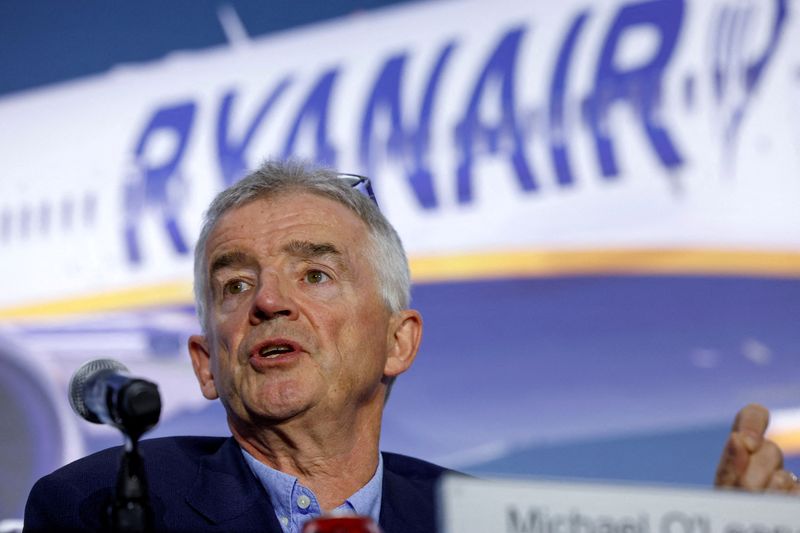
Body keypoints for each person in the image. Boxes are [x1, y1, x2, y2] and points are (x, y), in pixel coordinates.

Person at [23, 160, 798, 533]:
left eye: (316, 272)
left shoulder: (478, 518)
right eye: (234, 286)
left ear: (400, 342)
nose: (267, 301)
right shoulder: (103, 507)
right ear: (205, 363)